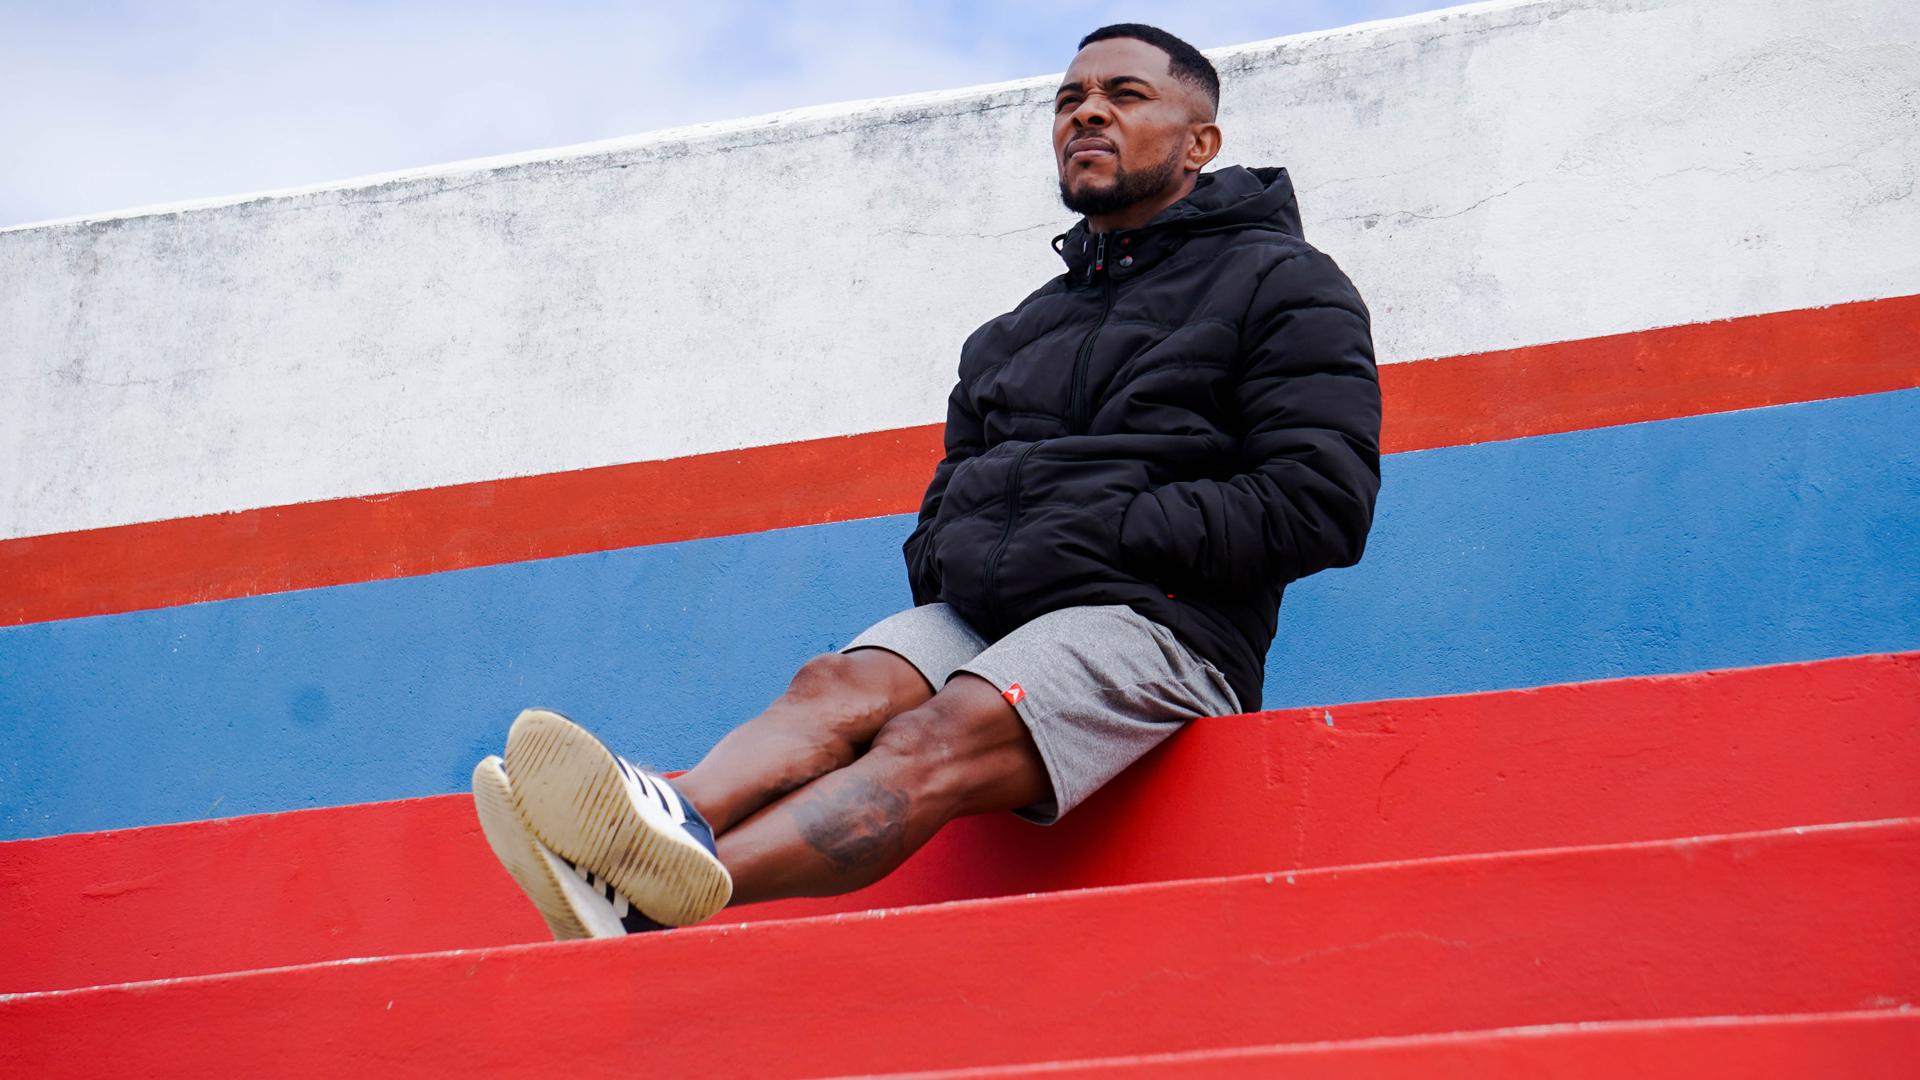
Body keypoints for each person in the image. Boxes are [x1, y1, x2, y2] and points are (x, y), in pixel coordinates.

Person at [472, 22, 1382, 939]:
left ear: (1200, 143)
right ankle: (669, 817)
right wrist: (966, 552)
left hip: (1164, 625)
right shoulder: (1012, 333)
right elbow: (940, 510)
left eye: (1125, 95)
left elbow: (1321, 502)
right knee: (833, 685)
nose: (1087, 113)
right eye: (1069, 100)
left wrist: (1104, 529)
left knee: (930, 735)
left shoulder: (1286, 284)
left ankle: (650, 902)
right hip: (993, 611)